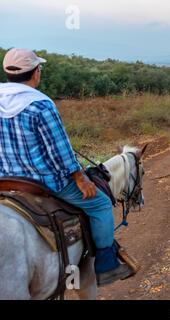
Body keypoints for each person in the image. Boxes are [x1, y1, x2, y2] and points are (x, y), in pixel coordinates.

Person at [0, 48, 132, 286]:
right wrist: (80, 178)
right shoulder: (40, 104)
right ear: (35, 72)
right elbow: (59, 151)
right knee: (101, 204)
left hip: (4, 181)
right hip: (43, 183)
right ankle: (106, 265)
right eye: (39, 68)